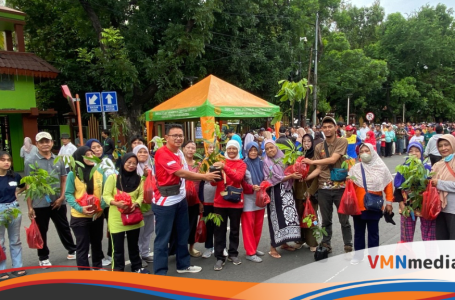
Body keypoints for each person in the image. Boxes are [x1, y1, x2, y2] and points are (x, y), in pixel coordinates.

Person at [153, 124, 219, 275]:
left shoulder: (179, 153)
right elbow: (181, 173)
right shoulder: (162, 153)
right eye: (174, 135)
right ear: (167, 138)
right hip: (165, 202)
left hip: (180, 200)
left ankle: (183, 265)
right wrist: (204, 176)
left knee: (183, 233)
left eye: (180, 135)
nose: (178, 138)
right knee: (162, 240)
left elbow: (189, 170)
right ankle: (160, 272)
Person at [24, 132, 77, 268]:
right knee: (42, 230)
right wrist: (30, 207)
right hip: (40, 203)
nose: (45, 144)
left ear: (52, 142)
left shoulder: (58, 159)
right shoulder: (30, 161)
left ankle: (72, 250)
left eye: (47, 141)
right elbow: (28, 185)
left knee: (64, 226)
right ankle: (43, 257)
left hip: (58, 200)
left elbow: (64, 179)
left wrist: (62, 197)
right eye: (41, 142)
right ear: (37, 145)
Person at [303, 116, 352, 253]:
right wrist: (305, 177)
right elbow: (319, 169)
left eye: (330, 126)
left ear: (336, 128)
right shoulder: (319, 146)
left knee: (344, 219)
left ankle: (348, 244)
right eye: (324, 127)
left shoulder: (342, 141)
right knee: (326, 220)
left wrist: (311, 162)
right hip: (323, 188)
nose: (327, 129)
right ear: (321, 129)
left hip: (340, 187)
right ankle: (326, 243)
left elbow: (333, 159)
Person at [102, 153, 149, 273]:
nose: (131, 165)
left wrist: (136, 203)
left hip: (134, 218)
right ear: (123, 163)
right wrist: (116, 203)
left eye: (134, 163)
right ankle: (118, 270)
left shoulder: (139, 179)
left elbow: (141, 195)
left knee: (134, 246)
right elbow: (106, 195)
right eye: (129, 162)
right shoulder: (113, 178)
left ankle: (137, 267)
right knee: (117, 248)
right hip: (117, 219)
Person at [348, 143, 393, 264]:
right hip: (358, 207)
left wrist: (389, 202)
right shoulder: (355, 169)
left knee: (373, 233)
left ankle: (373, 257)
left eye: (367, 151)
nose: (364, 153)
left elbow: (388, 185)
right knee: (358, 233)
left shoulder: (381, 168)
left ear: (372, 152)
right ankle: (358, 256)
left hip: (374, 206)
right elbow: (349, 188)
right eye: (362, 151)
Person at [65, 146, 107, 270]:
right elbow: (68, 194)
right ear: (79, 158)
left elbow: (106, 191)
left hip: (97, 215)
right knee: (82, 246)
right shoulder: (73, 174)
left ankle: (97, 267)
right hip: (80, 216)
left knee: (96, 243)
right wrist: (80, 208)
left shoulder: (99, 171)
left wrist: (101, 208)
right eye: (86, 155)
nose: (90, 157)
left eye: (91, 154)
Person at [211, 140, 249, 270]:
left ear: (238, 150)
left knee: (234, 230)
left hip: (235, 202)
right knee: (219, 231)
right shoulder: (220, 162)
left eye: (234, 149)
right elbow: (213, 184)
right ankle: (220, 257)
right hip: (219, 202)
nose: (231, 151)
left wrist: (224, 168)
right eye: (229, 149)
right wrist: (213, 174)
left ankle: (233, 253)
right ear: (226, 150)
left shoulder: (241, 164)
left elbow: (238, 178)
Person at [263, 139, 302, 258]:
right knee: (276, 219)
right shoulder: (266, 162)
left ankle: (284, 243)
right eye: (267, 149)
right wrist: (290, 176)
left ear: (276, 147)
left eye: (272, 147)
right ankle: (273, 247)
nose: (270, 150)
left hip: (287, 191)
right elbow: (272, 179)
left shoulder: (284, 158)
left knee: (288, 217)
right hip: (275, 192)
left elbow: (290, 170)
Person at [394, 142, 434, 242]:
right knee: (406, 236)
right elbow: (397, 190)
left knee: (429, 235)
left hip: (425, 205)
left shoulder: (427, 169)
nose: (414, 153)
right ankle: (407, 256)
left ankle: (430, 257)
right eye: (411, 151)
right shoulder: (403, 168)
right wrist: (402, 205)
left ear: (421, 153)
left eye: (417, 151)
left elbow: (432, 188)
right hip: (407, 206)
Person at [86, 138, 116, 267]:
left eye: (99, 147)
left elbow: (114, 175)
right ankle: (98, 256)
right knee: (95, 233)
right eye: (93, 147)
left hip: (109, 201)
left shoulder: (107, 161)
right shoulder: (87, 163)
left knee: (112, 229)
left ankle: (111, 254)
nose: (97, 149)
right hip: (95, 202)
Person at [0, 151, 26, 279]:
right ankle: (1, 270)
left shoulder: (14, 176)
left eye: (8, 160)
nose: (6, 162)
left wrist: (18, 193)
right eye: (3, 160)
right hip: (0, 210)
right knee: (0, 242)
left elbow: (26, 185)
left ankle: (18, 267)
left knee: (15, 240)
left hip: (13, 209)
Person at [293, 134, 319, 252]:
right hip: (298, 191)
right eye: (304, 141)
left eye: (309, 141)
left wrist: (311, 191)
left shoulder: (316, 157)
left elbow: (318, 176)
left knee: (310, 217)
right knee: (298, 216)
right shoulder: (298, 155)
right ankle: (300, 240)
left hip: (310, 192)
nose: (307, 143)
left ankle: (312, 242)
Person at [242, 142, 265, 263]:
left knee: (258, 225)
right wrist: (251, 187)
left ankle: (254, 248)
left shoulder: (261, 163)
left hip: (260, 197)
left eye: (255, 150)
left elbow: (267, 177)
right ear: (246, 151)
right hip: (248, 198)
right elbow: (241, 182)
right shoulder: (243, 164)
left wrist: (264, 184)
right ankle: (250, 252)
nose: (253, 152)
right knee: (248, 226)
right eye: (250, 150)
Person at [133, 145, 155, 264]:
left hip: (151, 204)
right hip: (138, 205)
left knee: (148, 230)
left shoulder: (151, 165)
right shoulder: (132, 167)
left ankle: (145, 253)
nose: (143, 154)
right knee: (139, 232)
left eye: (145, 152)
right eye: (139, 152)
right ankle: (137, 256)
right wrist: (144, 176)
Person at [181, 140, 204, 257]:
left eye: (193, 148)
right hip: (181, 199)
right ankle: (181, 249)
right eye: (188, 147)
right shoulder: (179, 164)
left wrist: (201, 201)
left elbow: (201, 185)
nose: (190, 150)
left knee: (192, 224)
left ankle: (191, 247)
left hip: (195, 199)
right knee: (181, 225)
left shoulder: (198, 165)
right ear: (183, 149)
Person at [431, 134, 455, 240]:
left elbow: (437, 183)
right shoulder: (437, 165)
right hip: (439, 210)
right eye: (440, 146)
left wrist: (439, 183)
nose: (443, 148)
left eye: (446, 145)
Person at [200, 143, 217, 258]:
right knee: (208, 224)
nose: (211, 149)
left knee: (220, 224)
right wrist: (200, 200)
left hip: (219, 198)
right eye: (210, 147)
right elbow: (200, 182)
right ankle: (209, 247)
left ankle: (221, 246)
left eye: (214, 147)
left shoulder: (221, 162)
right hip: (207, 198)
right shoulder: (203, 163)